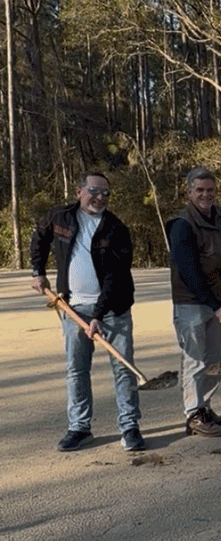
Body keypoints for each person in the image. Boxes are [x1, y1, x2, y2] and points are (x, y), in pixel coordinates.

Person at [30, 172, 144, 452]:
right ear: (80, 191)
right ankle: (79, 428)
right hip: (71, 306)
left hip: (113, 308)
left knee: (123, 368)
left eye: (106, 193)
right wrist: (38, 271)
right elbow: (39, 237)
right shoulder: (60, 218)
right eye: (94, 190)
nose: (100, 197)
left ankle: (129, 427)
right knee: (77, 370)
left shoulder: (116, 228)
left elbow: (115, 277)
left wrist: (97, 316)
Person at [167, 166, 221, 437]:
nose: (206, 195)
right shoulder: (181, 224)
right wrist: (213, 303)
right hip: (192, 302)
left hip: (216, 298)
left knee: (214, 360)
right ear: (189, 192)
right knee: (195, 360)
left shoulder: (220, 217)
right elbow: (189, 270)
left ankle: (205, 406)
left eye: (210, 190)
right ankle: (194, 414)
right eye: (200, 190)